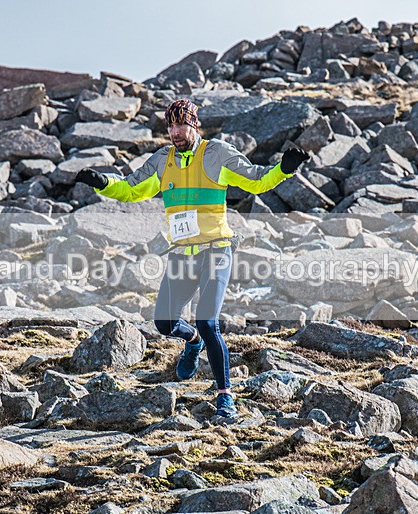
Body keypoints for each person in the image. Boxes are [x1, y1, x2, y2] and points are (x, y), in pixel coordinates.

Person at [74, 99, 309, 419]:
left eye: (180, 125)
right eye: (169, 126)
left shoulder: (217, 154)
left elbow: (256, 180)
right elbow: (131, 189)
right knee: (165, 323)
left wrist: (285, 168)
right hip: (182, 255)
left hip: (216, 250)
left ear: (194, 125)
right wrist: (103, 182)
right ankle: (192, 341)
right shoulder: (162, 160)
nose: (174, 132)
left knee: (208, 321)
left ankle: (225, 397)